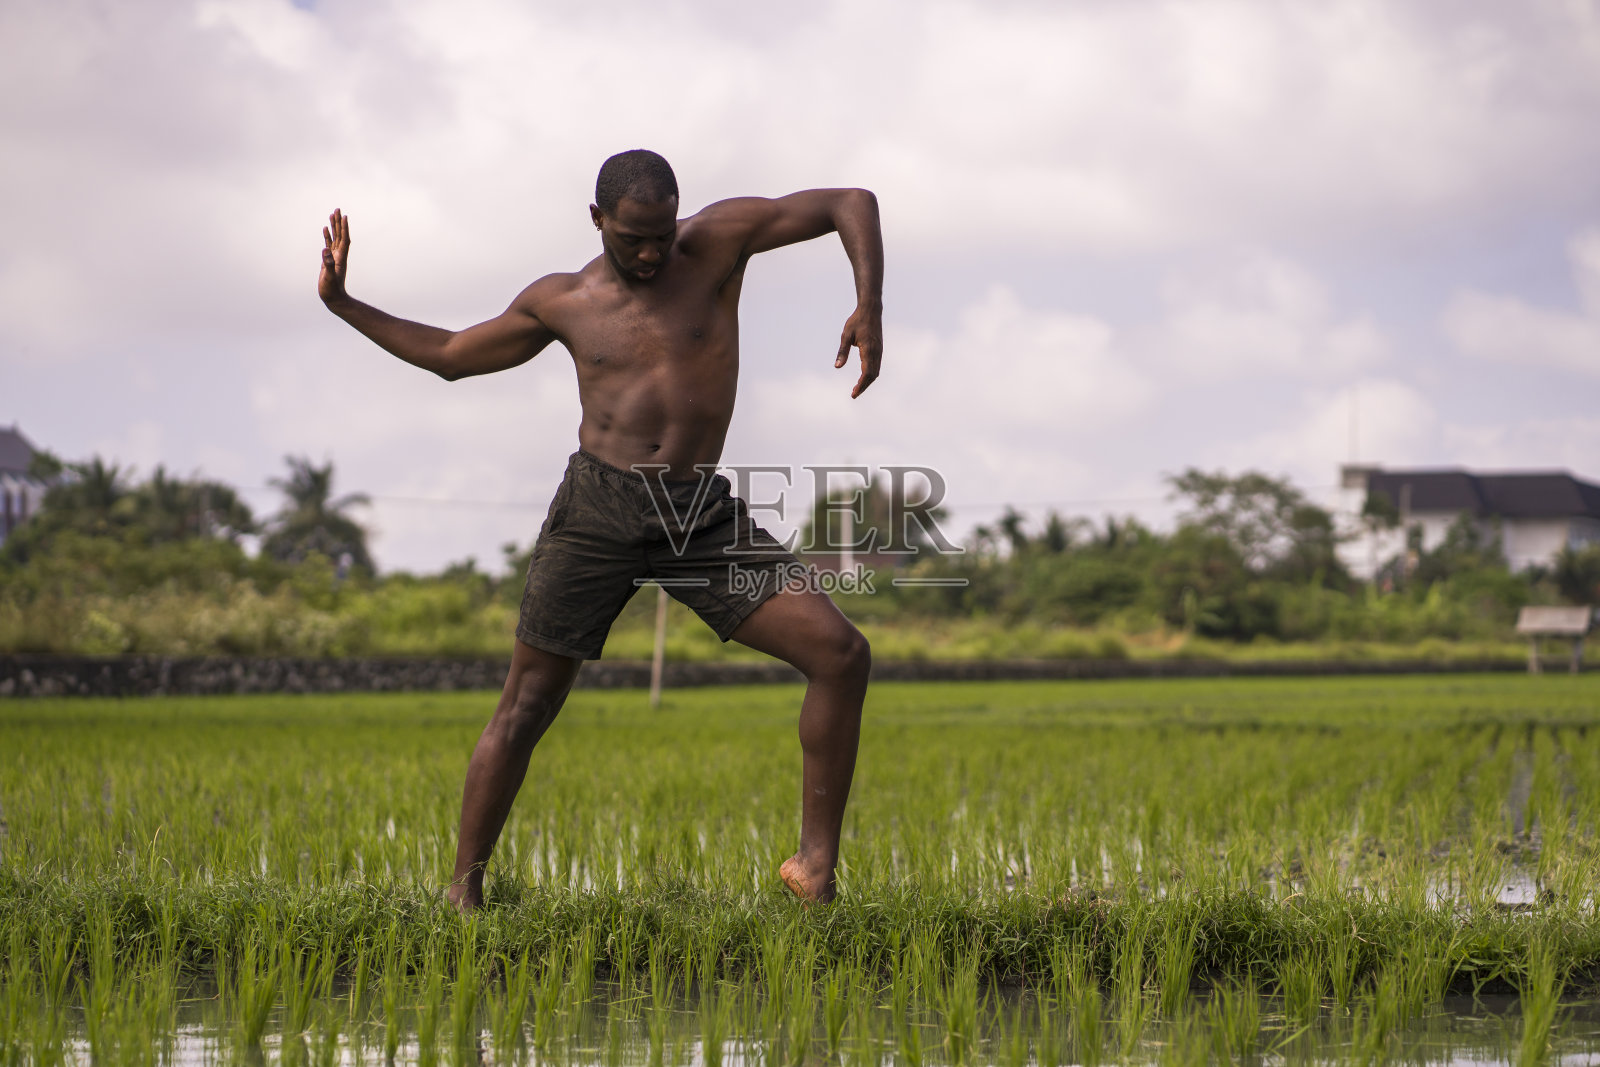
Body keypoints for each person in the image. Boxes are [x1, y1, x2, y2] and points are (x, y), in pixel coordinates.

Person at [317, 149, 883, 910]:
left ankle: (816, 869)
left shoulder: (720, 242)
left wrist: (867, 303)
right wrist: (347, 305)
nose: (650, 253)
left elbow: (851, 200)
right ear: (597, 222)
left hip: (697, 516)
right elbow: (451, 356)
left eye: (661, 235)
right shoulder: (565, 301)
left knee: (841, 653)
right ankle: (462, 891)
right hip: (597, 510)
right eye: (631, 239)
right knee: (526, 704)